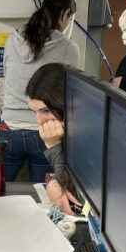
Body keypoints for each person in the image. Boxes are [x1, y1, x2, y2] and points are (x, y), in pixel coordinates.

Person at [0, 0, 80, 183]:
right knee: (43, 196)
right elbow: (70, 93)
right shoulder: (69, 48)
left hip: (8, 129)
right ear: (66, 14)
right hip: (46, 131)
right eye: (69, 19)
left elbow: (6, 76)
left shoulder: (12, 40)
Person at [25, 63, 82, 215]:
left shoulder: (86, 135)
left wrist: (53, 145)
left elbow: (74, 195)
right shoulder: (68, 129)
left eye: (46, 111)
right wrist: (53, 183)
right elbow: (64, 180)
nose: (39, 120)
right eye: (34, 112)